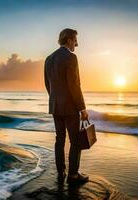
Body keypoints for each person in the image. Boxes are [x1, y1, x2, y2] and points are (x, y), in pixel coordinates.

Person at [44, 28, 89, 184]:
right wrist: (82, 108)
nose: (77, 43)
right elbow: (74, 85)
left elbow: (47, 84)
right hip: (70, 107)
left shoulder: (48, 58)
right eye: (75, 40)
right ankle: (73, 175)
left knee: (60, 139)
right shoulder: (71, 57)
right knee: (75, 141)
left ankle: (60, 172)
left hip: (55, 106)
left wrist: (55, 99)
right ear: (69, 39)